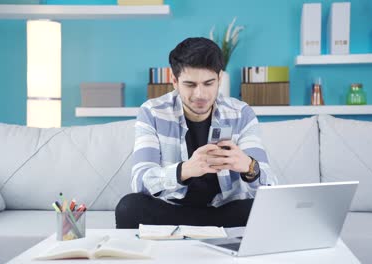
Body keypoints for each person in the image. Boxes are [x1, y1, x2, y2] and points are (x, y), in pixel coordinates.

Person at [115, 37, 276, 228]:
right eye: (190, 85)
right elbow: (140, 181)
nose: (200, 95)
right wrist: (185, 170)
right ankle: (205, 230)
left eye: (208, 83)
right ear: (174, 81)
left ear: (220, 79)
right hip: (174, 209)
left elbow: (270, 186)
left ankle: (196, 230)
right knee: (129, 207)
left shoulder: (241, 113)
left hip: (225, 210)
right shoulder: (152, 112)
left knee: (269, 209)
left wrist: (249, 167)